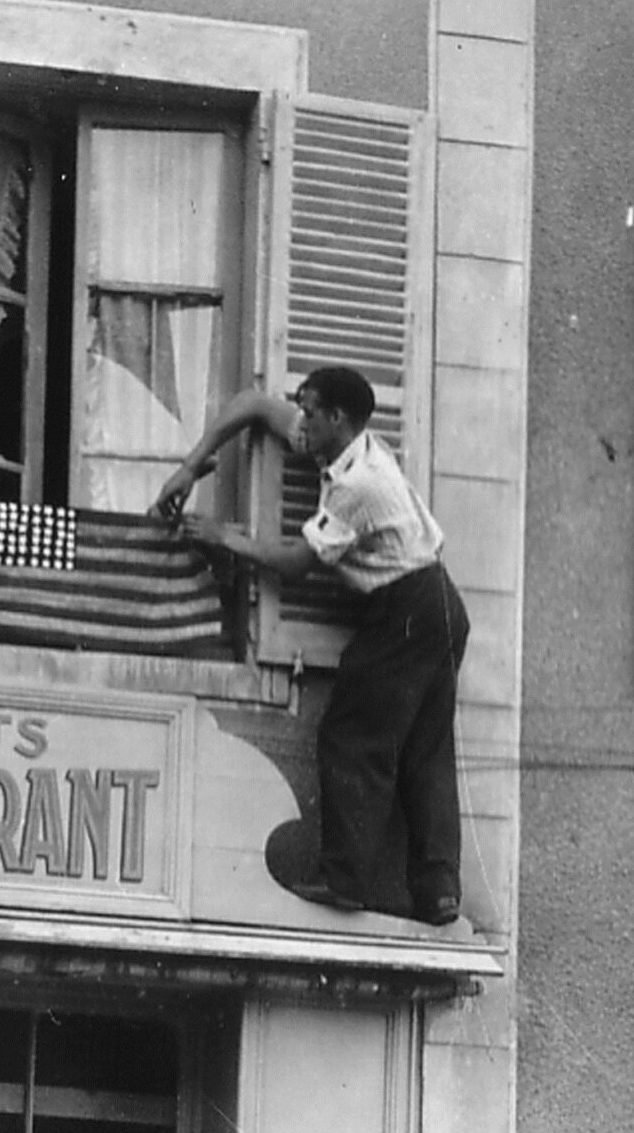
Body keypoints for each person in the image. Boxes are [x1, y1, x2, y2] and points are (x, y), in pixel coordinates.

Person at [152, 364, 468, 924]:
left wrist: (227, 537)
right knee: (425, 749)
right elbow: (250, 403)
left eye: (310, 409)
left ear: (337, 419)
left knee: (353, 736)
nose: (300, 419)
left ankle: (345, 879)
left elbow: (298, 564)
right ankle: (438, 889)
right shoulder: (339, 443)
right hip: (438, 604)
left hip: (408, 606)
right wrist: (191, 465)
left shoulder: (359, 486)